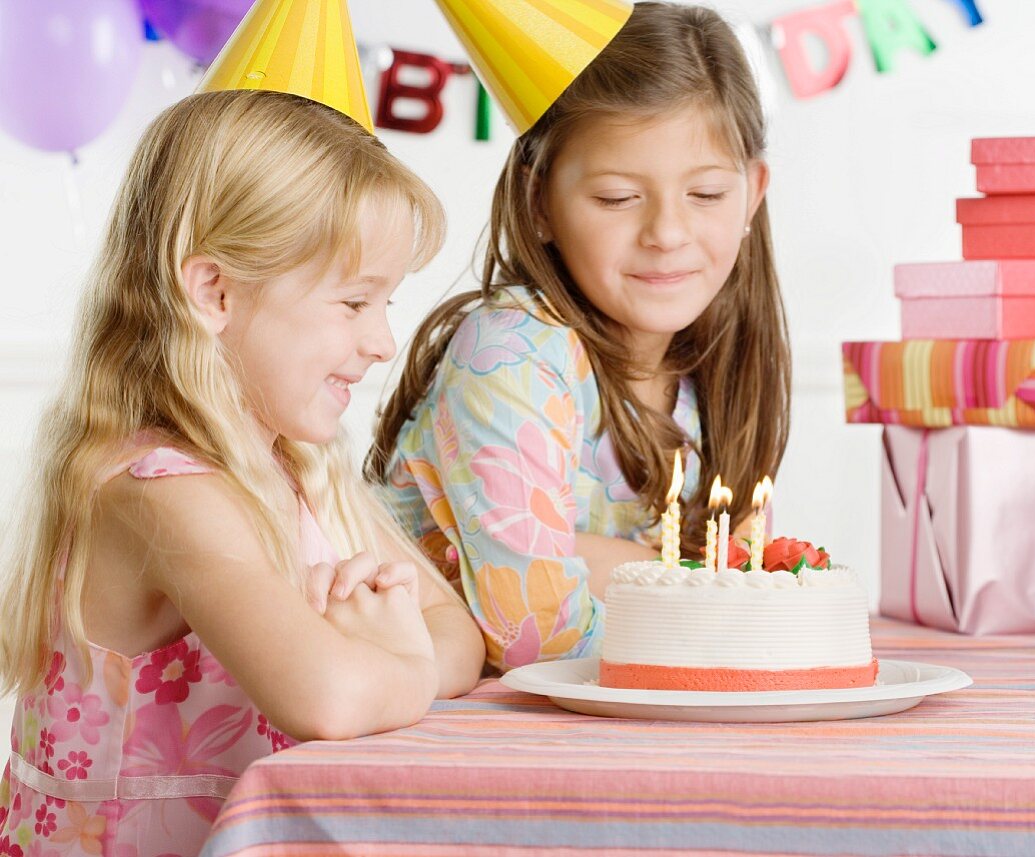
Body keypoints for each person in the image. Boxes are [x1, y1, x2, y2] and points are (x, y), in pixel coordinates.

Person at [0, 89, 485, 855]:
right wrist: (394, 655)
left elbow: (456, 631)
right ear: (215, 293)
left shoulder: (298, 467)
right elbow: (326, 696)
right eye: (355, 302)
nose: (385, 340)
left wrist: (387, 661)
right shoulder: (156, 489)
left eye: (386, 302)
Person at [368, 1, 791, 673]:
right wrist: (688, 580)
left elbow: (746, 579)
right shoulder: (510, 351)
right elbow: (540, 632)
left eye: (707, 194)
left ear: (753, 194)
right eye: (619, 198)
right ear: (539, 202)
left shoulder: (712, 373)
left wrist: (602, 560)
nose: (668, 234)